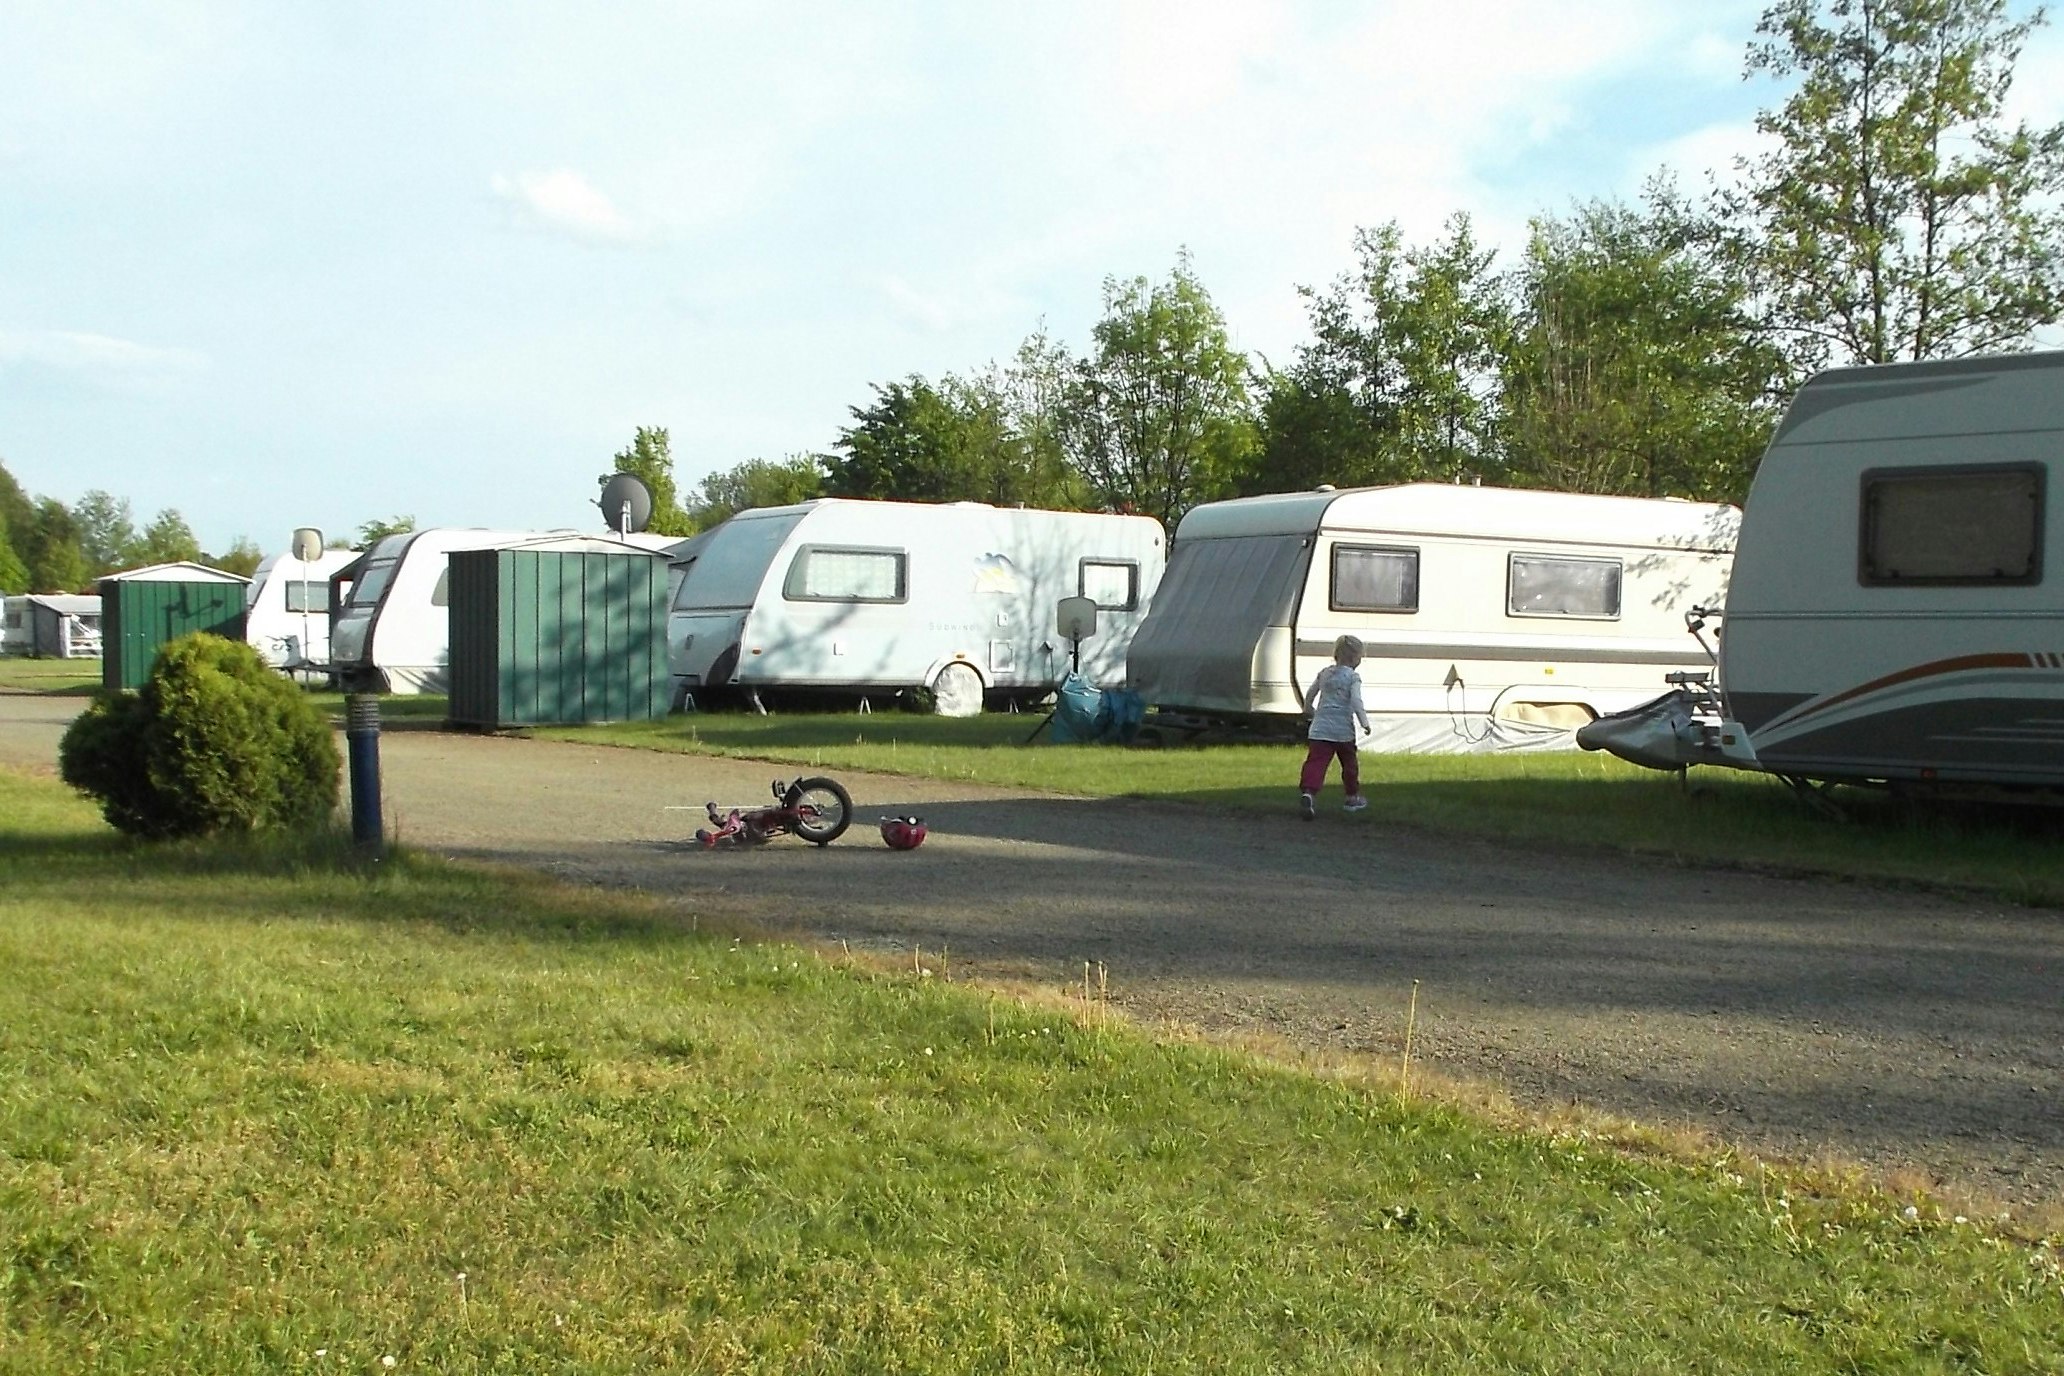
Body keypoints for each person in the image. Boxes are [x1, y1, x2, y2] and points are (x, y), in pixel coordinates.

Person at [1299, 634, 1371, 819]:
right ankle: (1351, 797)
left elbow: (1311, 693)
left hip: (1320, 728)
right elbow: (1356, 701)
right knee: (1349, 763)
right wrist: (1364, 722)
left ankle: (1309, 792)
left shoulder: (1325, 673)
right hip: (1342, 731)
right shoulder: (1353, 677)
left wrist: (1308, 708)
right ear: (1355, 658)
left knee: (1316, 762)